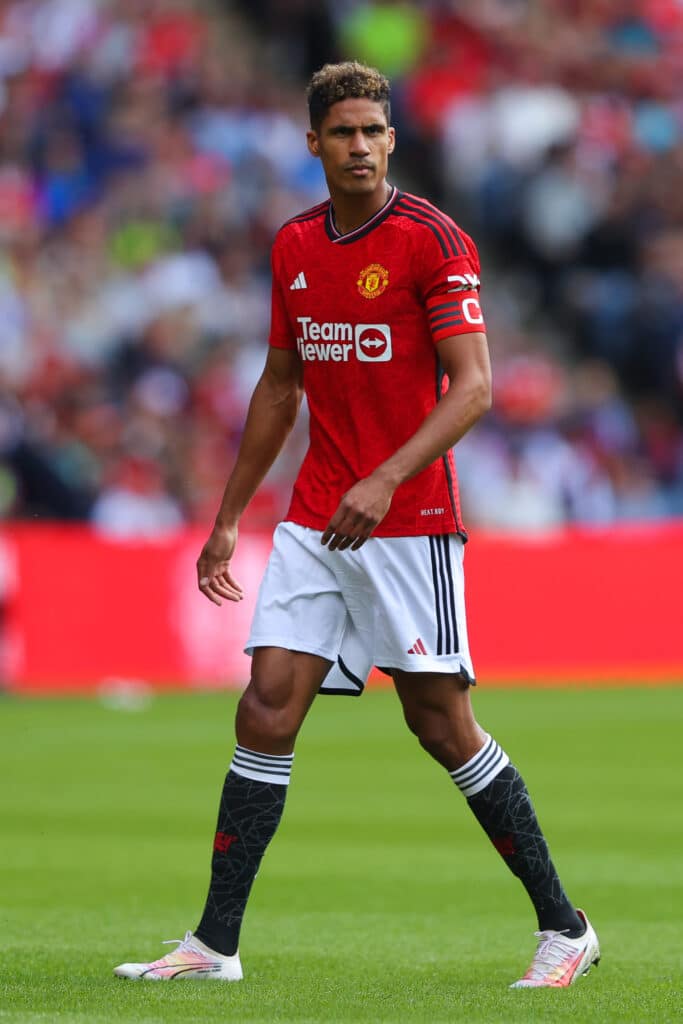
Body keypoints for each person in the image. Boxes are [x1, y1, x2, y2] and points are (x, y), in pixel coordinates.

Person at [114, 61, 600, 988]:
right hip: (314, 514)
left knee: (440, 723)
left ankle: (564, 926)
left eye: (375, 131)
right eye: (343, 133)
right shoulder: (294, 244)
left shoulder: (432, 240)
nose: (362, 147)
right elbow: (279, 383)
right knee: (264, 707)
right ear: (313, 145)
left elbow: (475, 388)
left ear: (391, 140)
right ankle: (215, 944)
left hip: (407, 517)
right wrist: (226, 519)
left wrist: (383, 478)